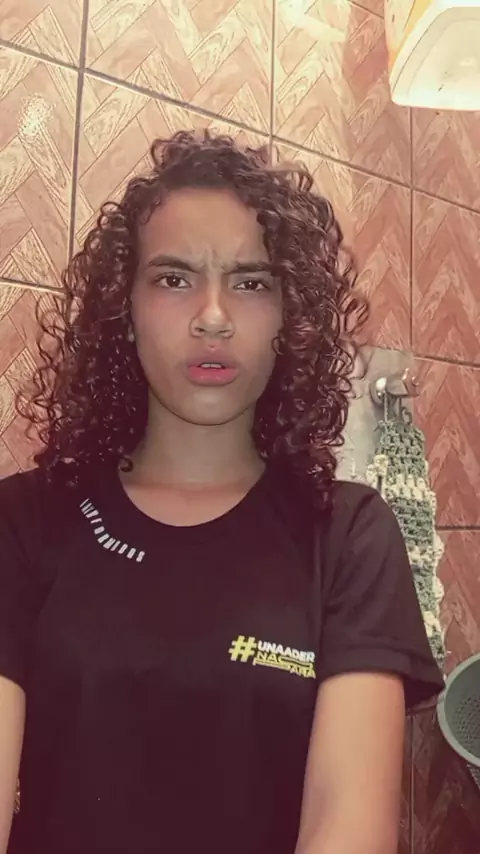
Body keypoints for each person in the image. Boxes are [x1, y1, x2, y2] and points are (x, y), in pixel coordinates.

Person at [0, 131, 443, 854]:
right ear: (125, 311)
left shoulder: (348, 538)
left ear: (288, 320)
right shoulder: (21, 523)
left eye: (251, 282)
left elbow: (347, 827)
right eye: (173, 279)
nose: (213, 315)